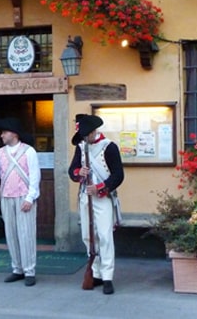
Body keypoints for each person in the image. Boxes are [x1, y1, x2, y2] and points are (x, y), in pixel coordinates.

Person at [68, 114, 124, 295]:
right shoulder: (81, 147)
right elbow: (72, 170)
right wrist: (79, 172)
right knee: (88, 236)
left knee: (105, 236)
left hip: (103, 198)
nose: (85, 138)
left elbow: (118, 175)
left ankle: (107, 276)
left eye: (87, 134)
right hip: (85, 197)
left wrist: (100, 188)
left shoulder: (109, 147)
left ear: (93, 132)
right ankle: (96, 272)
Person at [0, 117, 41, 287]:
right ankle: (17, 269)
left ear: (14, 134)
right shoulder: (1, 152)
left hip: (24, 197)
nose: (1, 135)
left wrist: (30, 198)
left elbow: (35, 176)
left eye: (4, 132)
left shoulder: (29, 151)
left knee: (26, 234)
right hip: (7, 197)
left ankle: (29, 270)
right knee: (11, 233)